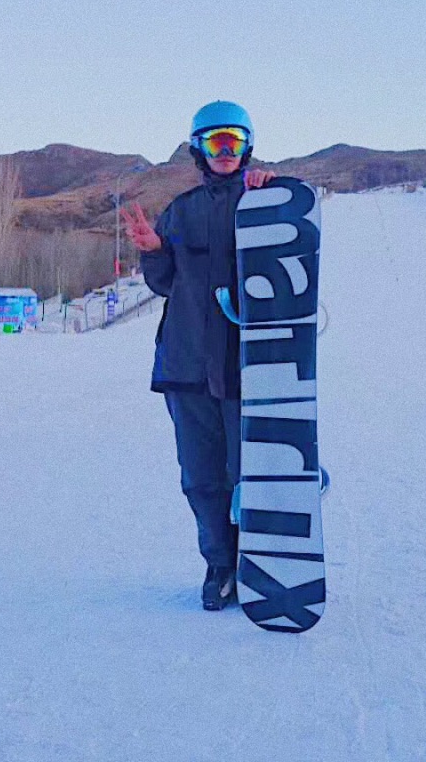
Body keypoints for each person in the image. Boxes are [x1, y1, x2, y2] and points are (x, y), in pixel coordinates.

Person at [121, 101, 275, 610]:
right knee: (201, 478)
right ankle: (220, 567)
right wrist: (153, 249)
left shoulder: (266, 201)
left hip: (248, 366)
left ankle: (261, 562)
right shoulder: (181, 210)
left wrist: (277, 199)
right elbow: (165, 284)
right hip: (186, 365)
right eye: (214, 142)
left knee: (249, 472)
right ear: (198, 150)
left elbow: (292, 264)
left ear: (247, 145)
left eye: (233, 140)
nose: (225, 151)